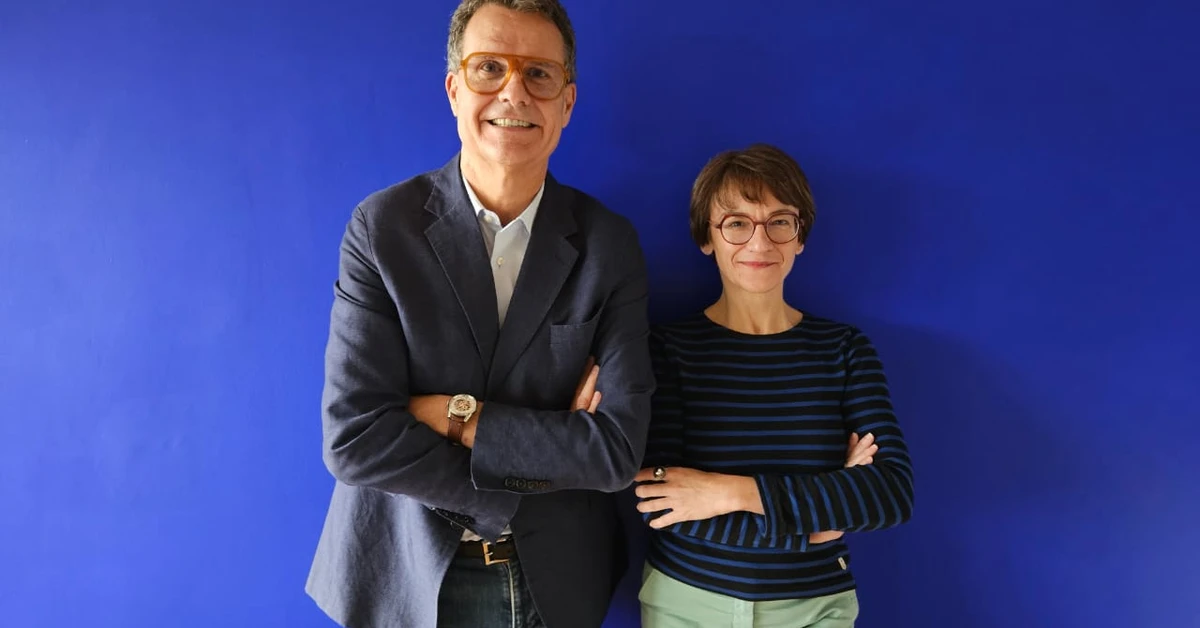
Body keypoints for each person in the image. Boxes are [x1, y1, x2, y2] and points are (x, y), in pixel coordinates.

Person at [304, 2, 655, 627]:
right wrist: (524, 474)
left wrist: (455, 415)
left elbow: (614, 451)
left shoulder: (609, 244)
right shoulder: (382, 228)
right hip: (405, 576)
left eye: (539, 73)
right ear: (454, 89)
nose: (514, 91)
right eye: (489, 67)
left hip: (558, 579)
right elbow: (356, 439)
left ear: (567, 103)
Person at [632, 143, 916, 627]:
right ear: (706, 237)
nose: (760, 243)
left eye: (779, 222)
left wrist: (731, 492)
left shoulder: (844, 350)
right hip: (686, 604)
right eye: (736, 223)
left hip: (816, 608)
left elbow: (890, 492)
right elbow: (660, 501)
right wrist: (816, 523)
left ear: (800, 236)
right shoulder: (667, 349)